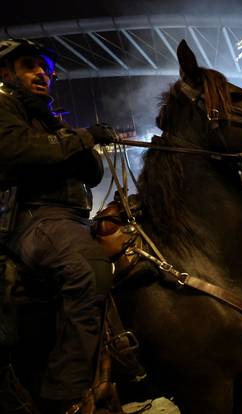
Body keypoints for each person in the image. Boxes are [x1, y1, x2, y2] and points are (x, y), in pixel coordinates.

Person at [0, 39, 117, 411]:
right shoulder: (3, 106)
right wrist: (82, 138)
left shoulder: (49, 120)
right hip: (33, 218)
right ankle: (64, 394)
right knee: (88, 268)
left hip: (71, 218)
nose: (41, 74)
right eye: (30, 66)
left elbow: (95, 174)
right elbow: (20, 150)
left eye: (46, 70)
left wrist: (68, 133)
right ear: (6, 73)